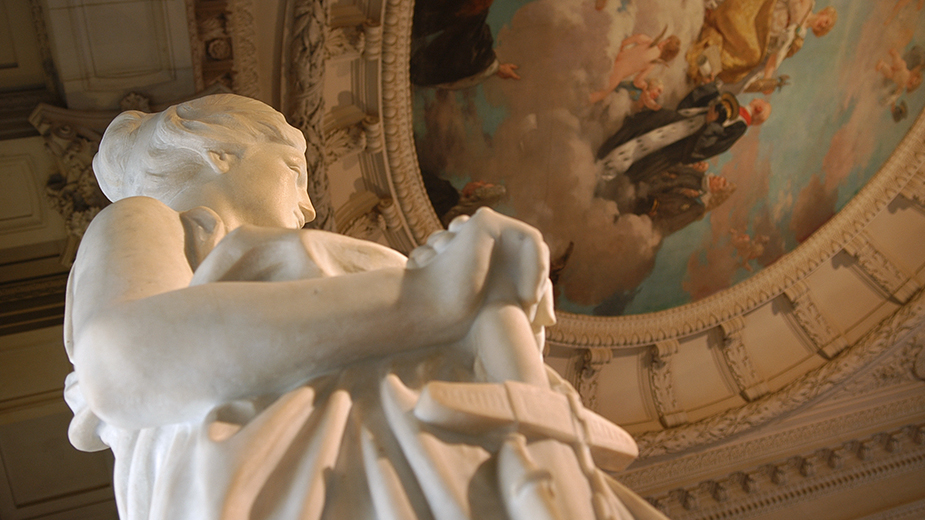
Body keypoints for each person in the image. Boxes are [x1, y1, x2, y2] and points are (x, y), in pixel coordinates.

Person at [63, 94, 664, 520]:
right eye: (294, 171)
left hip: (456, 475)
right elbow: (124, 361)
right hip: (294, 483)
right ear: (218, 153)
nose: (307, 207)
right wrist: (427, 295)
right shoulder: (147, 221)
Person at [595, 84, 770, 195]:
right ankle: (598, 159)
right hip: (679, 122)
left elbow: (709, 146)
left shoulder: (739, 128)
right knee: (635, 129)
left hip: (676, 143)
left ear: (758, 113)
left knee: (634, 156)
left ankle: (599, 176)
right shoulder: (737, 110)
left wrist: (709, 124)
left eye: (761, 105)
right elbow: (698, 106)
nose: (758, 101)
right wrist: (712, 89)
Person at [686, 0, 837, 90]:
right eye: (826, 21)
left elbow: (776, 56)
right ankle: (717, 16)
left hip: (761, 39)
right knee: (738, 20)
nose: (822, 25)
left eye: (824, 28)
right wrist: (795, 23)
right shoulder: (808, 3)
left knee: (752, 57)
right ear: (824, 13)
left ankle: (710, 55)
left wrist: (768, 79)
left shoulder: (798, 40)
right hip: (762, 12)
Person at [589, 32, 681, 104]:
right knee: (601, 94)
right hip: (617, 74)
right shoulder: (651, 64)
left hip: (614, 58)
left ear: (666, 42)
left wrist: (622, 46)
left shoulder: (649, 42)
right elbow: (637, 81)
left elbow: (636, 37)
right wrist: (644, 85)